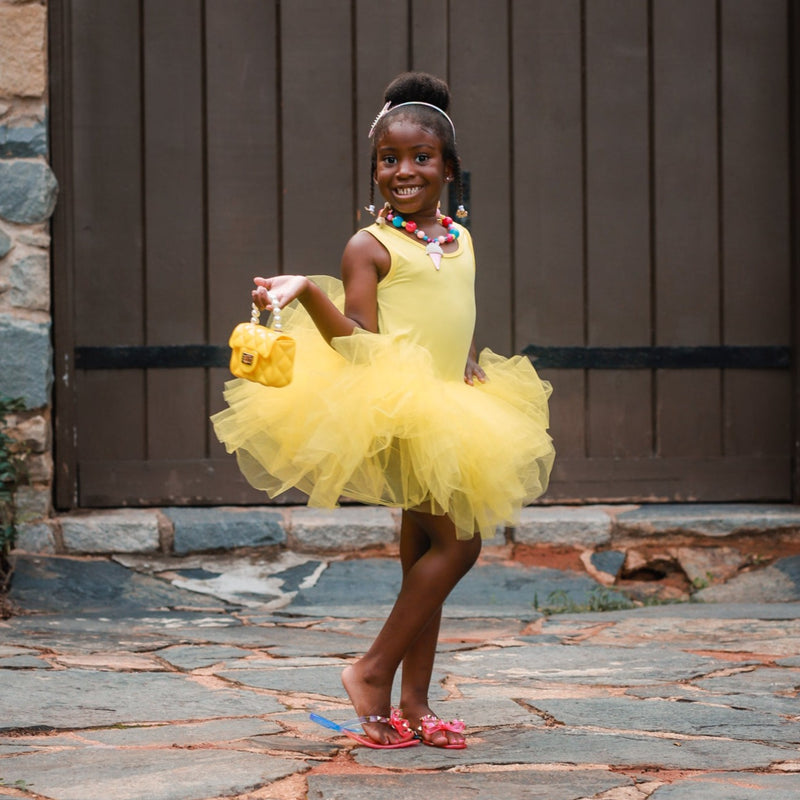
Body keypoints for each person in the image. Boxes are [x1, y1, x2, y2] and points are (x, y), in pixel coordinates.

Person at [212, 72, 555, 749]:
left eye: (421, 158)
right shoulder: (369, 247)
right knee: (461, 544)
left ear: (449, 169)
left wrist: (461, 360)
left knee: (422, 558)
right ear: (374, 170)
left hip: (450, 402)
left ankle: (416, 707)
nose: (404, 171)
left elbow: (446, 313)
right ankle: (370, 673)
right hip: (402, 412)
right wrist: (310, 292)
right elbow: (360, 343)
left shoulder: (460, 238)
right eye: (389, 160)